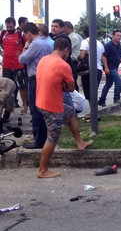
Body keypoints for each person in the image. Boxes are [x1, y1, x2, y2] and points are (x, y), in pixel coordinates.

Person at [35, 37, 93, 179]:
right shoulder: (63, 65)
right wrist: (63, 86)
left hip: (41, 101)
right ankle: (42, 170)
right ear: (66, 50)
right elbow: (71, 88)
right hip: (51, 106)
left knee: (71, 111)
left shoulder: (44, 60)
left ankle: (80, 142)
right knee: (52, 137)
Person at [18, 22, 54, 149]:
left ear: (28, 33)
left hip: (35, 78)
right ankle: (44, 138)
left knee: (35, 110)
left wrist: (25, 47)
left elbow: (22, 59)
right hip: (44, 77)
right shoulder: (47, 43)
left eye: (25, 34)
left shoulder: (35, 44)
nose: (25, 37)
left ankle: (38, 141)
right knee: (43, 108)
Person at [1, 16, 28, 114]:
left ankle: (25, 106)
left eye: (11, 27)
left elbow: (28, 43)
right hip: (7, 65)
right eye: (8, 27)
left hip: (18, 66)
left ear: (15, 25)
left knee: (22, 86)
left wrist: (23, 52)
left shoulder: (20, 34)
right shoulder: (3, 34)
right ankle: (9, 108)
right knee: (6, 88)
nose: (9, 29)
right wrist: (1, 52)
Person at [98, 29, 121, 106]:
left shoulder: (119, 46)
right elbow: (104, 56)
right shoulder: (108, 46)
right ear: (113, 36)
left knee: (108, 84)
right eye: (117, 35)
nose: (119, 37)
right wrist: (106, 67)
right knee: (118, 80)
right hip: (110, 67)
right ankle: (116, 98)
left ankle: (102, 100)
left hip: (115, 67)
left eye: (120, 36)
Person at [78, 28, 106, 103]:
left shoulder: (85, 42)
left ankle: (92, 112)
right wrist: (106, 68)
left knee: (89, 93)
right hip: (98, 70)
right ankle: (94, 111)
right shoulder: (100, 43)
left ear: (84, 33)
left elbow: (82, 56)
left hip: (89, 70)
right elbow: (103, 57)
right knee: (94, 92)